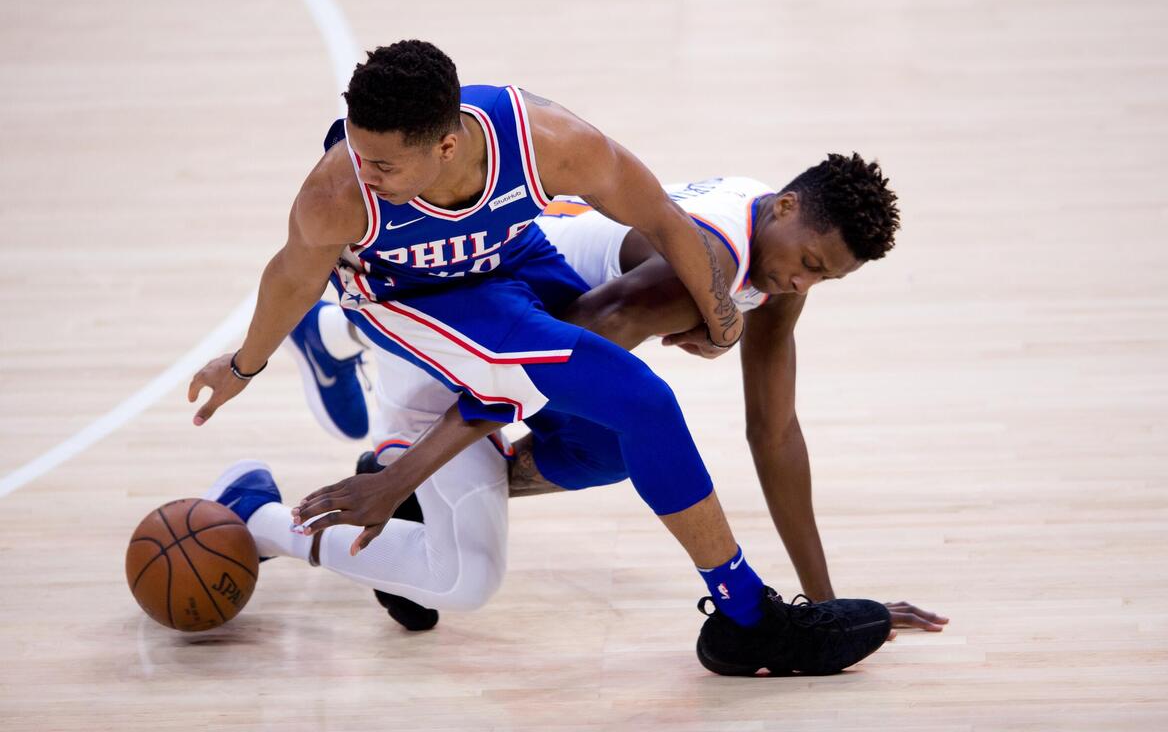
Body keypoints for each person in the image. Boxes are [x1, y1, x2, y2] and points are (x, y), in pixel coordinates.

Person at [189, 40, 892, 676]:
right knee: (611, 433)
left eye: (384, 163)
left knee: (613, 441)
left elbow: (660, 216)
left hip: (509, 269)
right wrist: (243, 366)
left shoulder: (546, 140)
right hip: (415, 305)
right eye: (357, 150)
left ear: (447, 144)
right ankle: (748, 615)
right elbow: (291, 277)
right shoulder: (337, 195)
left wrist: (722, 318)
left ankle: (405, 474)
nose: (362, 171)